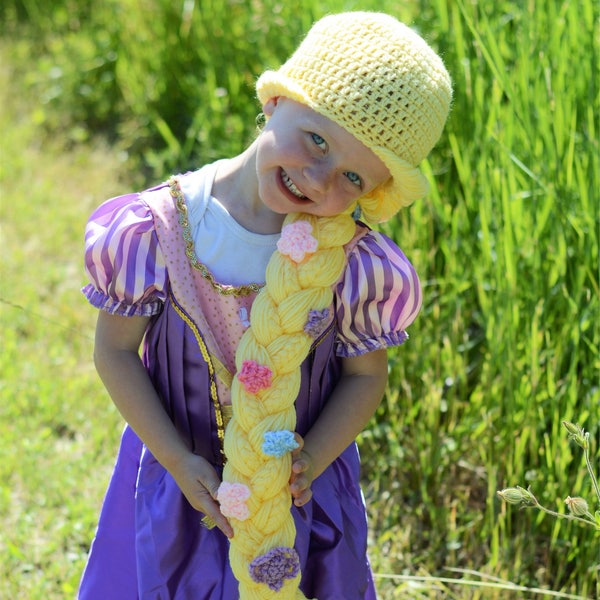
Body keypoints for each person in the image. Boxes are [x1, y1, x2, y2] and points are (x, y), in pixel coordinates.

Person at [79, 11, 451, 600]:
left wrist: (316, 455)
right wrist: (175, 459)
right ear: (277, 101)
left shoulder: (353, 265)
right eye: (317, 140)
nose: (319, 177)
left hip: (292, 492)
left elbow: (365, 375)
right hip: (182, 479)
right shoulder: (160, 228)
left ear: (373, 191)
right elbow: (115, 351)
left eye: (352, 176)